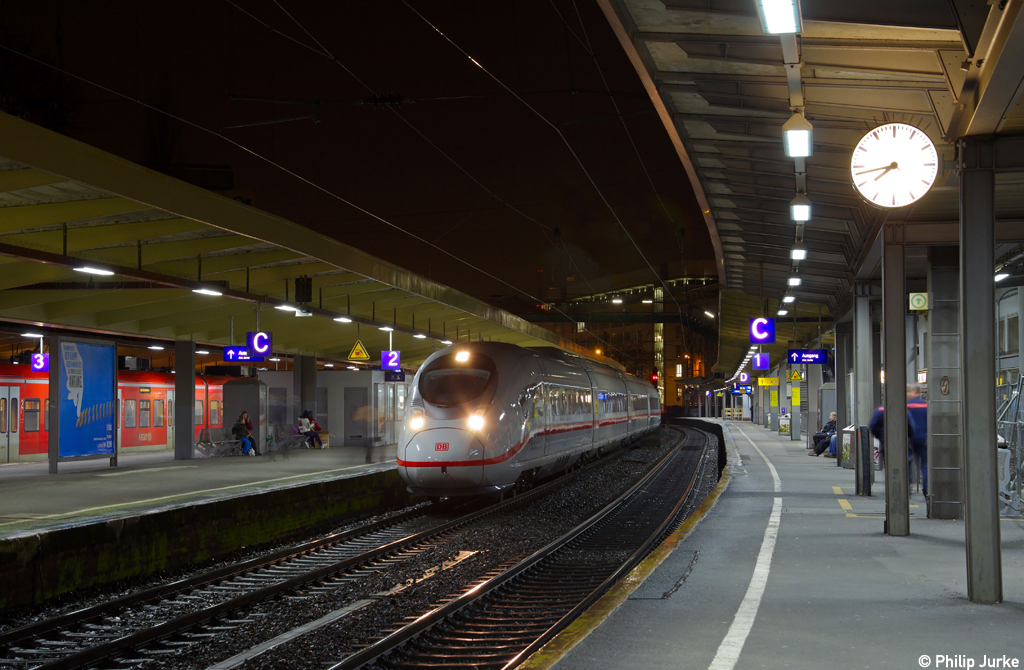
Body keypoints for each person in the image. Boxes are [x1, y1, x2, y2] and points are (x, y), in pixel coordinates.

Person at [869, 391, 928, 495]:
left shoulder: (879, 410)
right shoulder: (910, 409)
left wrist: (881, 438)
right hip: (919, 440)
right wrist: (908, 437)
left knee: (890, 464)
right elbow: (910, 427)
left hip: (888, 443)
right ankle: (913, 487)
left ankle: (893, 488)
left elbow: (873, 427)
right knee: (920, 464)